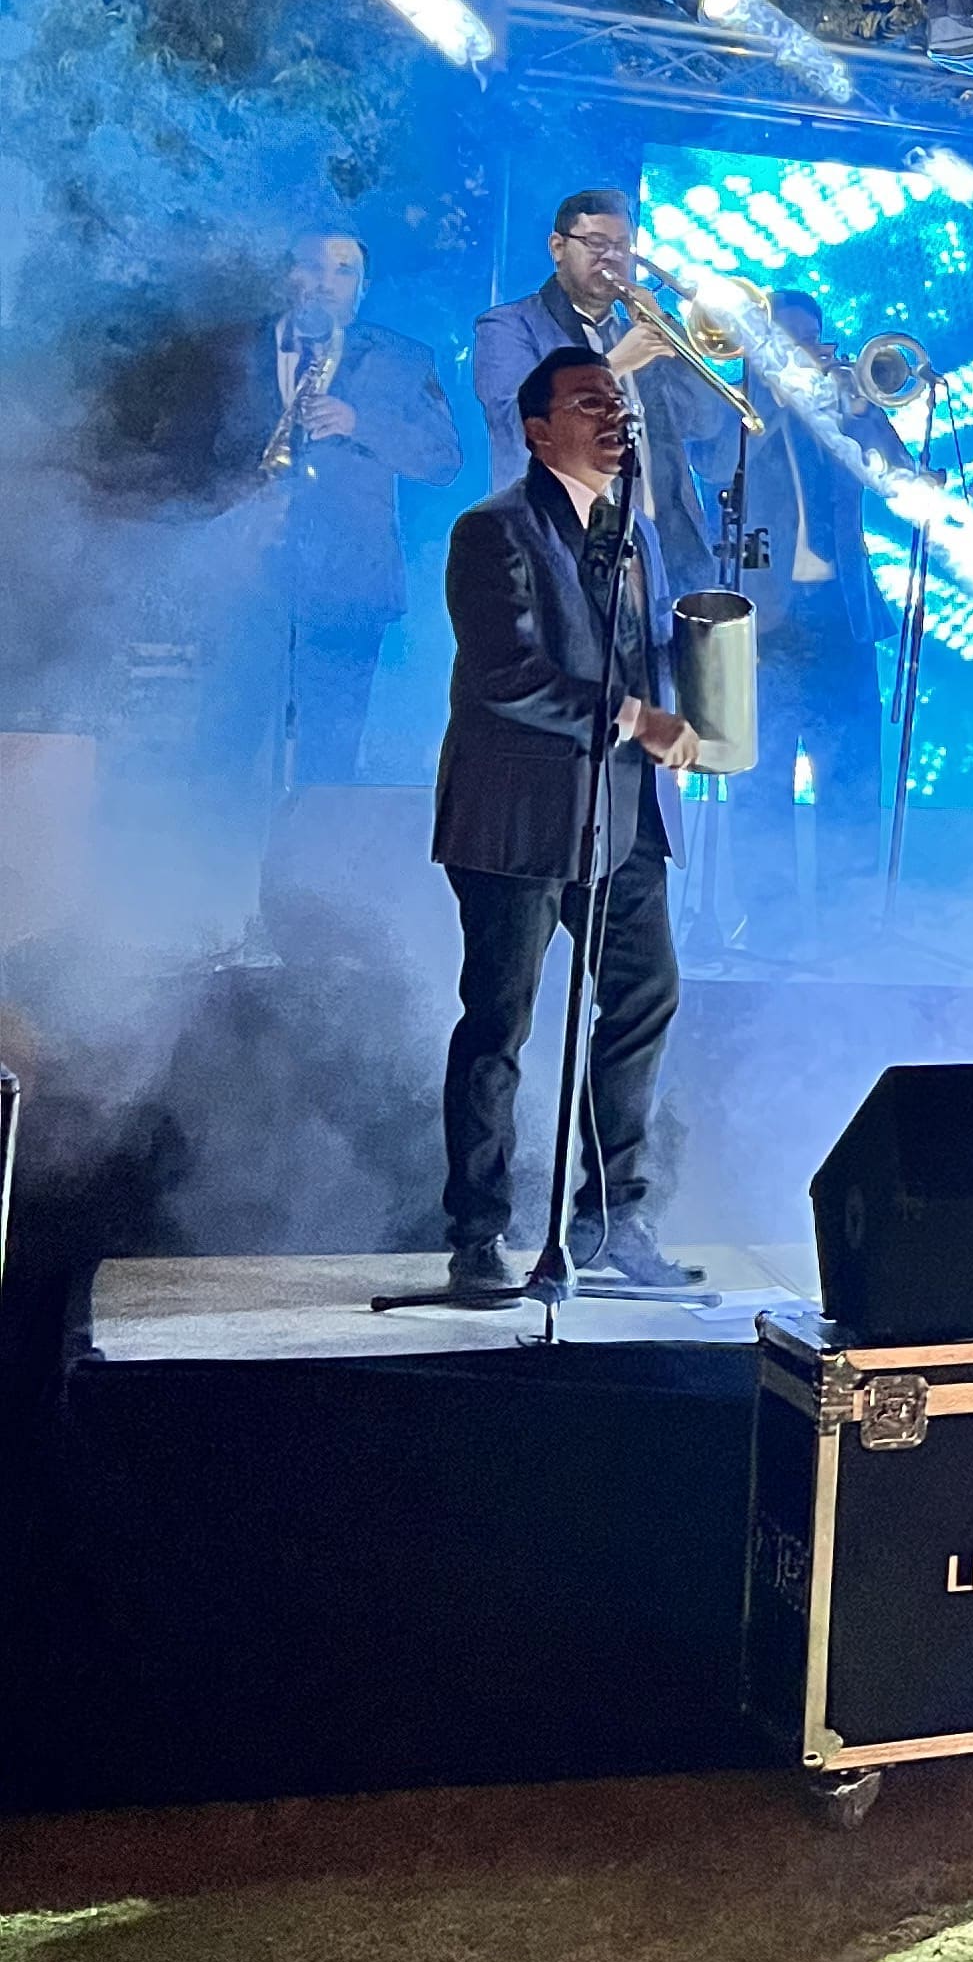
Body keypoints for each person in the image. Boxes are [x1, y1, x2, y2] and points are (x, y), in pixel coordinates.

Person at [431, 346, 703, 1301]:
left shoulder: (633, 532)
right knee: (500, 1020)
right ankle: (477, 1234)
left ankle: (613, 1217)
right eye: (591, 402)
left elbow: (642, 654)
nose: (616, 415)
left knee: (644, 996)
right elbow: (506, 675)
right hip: (518, 815)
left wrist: (706, 700)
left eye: (619, 401)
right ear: (539, 431)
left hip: (623, 815)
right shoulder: (492, 530)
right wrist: (634, 717)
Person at [203, 226, 460, 790]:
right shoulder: (230, 350)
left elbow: (444, 460)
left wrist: (359, 423)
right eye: (312, 266)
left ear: (363, 289)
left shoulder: (404, 359)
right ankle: (208, 843)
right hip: (246, 573)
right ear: (286, 275)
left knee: (329, 755)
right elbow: (194, 452)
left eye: (345, 271)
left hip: (351, 580)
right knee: (227, 743)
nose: (326, 282)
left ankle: (314, 846)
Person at [471, 187, 733, 606]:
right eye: (595, 243)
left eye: (621, 246)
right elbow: (515, 426)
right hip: (564, 547)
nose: (610, 257)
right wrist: (612, 365)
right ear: (558, 248)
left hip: (668, 552)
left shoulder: (641, 333)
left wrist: (666, 329)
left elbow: (706, 421)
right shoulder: (508, 326)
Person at [735, 289, 885, 888]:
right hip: (766, 619)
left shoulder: (842, 406)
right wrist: (781, 396)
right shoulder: (735, 402)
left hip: (841, 615)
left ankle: (850, 918)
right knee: (760, 780)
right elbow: (716, 463)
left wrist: (863, 408)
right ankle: (765, 920)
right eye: (789, 337)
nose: (805, 349)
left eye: (812, 337)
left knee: (852, 780)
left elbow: (900, 476)